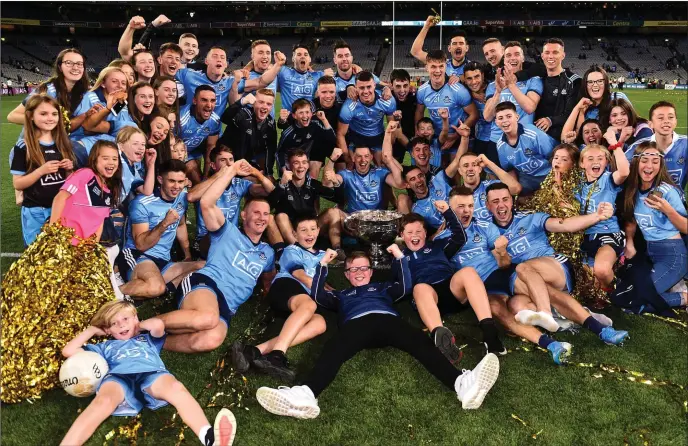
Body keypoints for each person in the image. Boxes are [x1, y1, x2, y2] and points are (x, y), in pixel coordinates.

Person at [256, 250, 501, 419]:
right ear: (348, 275)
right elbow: (319, 295)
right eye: (353, 270)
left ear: (371, 272)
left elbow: (405, 287)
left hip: (388, 321)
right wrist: (321, 266)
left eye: (363, 268)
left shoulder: (383, 287)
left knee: (420, 342)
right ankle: (305, 395)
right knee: (333, 349)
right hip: (356, 325)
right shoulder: (341, 295)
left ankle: (462, 385)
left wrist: (400, 258)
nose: (359, 272)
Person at [60, 301, 236, 446]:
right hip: (118, 377)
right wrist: (92, 330)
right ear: (108, 330)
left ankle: (209, 438)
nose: (121, 325)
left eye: (125, 319)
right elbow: (68, 351)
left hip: (151, 373)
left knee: (175, 387)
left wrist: (138, 326)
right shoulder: (105, 347)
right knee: (103, 401)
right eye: (114, 323)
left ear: (135, 318)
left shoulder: (147, 338)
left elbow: (158, 325)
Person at [485, 182, 630, 344]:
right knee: (517, 306)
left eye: (505, 199)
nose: (501, 205)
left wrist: (597, 216)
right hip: (530, 280)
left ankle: (546, 312)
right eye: (495, 201)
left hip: (554, 267)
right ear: (487, 205)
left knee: (523, 267)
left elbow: (565, 225)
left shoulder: (529, 218)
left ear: (512, 201)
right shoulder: (488, 232)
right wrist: (501, 251)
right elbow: (503, 265)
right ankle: (596, 327)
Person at [448, 187, 573, 364]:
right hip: (482, 287)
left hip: (502, 274)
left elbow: (503, 261)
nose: (466, 210)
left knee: (541, 290)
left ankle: (575, 316)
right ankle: (551, 345)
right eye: (460, 206)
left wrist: (501, 251)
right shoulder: (442, 237)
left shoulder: (484, 227)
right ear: (449, 209)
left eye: (470, 205)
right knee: (499, 310)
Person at [160, 171, 275, 353]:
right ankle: (139, 327)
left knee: (211, 339)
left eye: (266, 214)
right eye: (256, 213)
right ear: (244, 215)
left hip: (227, 307)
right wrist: (233, 169)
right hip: (206, 285)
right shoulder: (227, 231)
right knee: (208, 318)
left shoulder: (267, 253)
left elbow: (269, 281)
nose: (261, 217)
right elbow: (206, 202)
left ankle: (152, 341)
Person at [400, 201, 505, 359]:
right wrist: (398, 256)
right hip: (428, 299)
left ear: (425, 233)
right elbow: (401, 285)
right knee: (420, 288)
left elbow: (460, 237)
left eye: (418, 231)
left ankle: (490, 332)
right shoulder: (400, 257)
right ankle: (442, 340)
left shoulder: (437, 245)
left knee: (468, 272)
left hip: (452, 290)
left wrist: (448, 212)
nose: (414, 235)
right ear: (401, 236)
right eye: (409, 232)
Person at [232, 214, 328, 382]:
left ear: (318, 231)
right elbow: (302, 276)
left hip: (302, 297)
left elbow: (321, 282)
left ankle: (254, 351)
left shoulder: (322, 256)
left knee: (320, 323)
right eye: (303, 230)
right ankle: (277, 355)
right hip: (286, 286)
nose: (309, 234)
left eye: (313, 229)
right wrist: (326, 295)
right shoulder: (292, 251)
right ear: (295, 234)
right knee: (309, 305)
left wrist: (334, 293)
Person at [118, 160, 204, 299]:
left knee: (203, 266)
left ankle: (164, 290)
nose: (176, 186)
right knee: (155, 287)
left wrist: (187, 255)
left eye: (180, 182)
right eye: (171, 181)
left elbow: (181, 225)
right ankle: (110, 293)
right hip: (139, 255)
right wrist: (164, 223)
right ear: (160, 179)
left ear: (186, 181)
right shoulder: (141, 203)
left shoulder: (182, 198)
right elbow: (141, 245)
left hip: (163, 261)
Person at [623, 142, 688, 308]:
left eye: (655, 161)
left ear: (660, 166)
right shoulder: (633, 190)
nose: (649, 165)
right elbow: (631, 220)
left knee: (637, 301)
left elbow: (686, 228)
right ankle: (672, 284)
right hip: (650, 253)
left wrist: (668, 210)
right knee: (623, 292)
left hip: (672, 254)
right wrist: (629, 242)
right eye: (645, 160)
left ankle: (684, 298)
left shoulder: (667, 191)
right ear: (636, 162)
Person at [11, 95, 77, 246]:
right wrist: (41, 171)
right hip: (36, 212)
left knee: (60, 255)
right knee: (38, 255)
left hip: (61, 210)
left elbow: (69, 183)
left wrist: (68, 170)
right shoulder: (24, 146)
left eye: (54, 114)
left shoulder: (63, 143)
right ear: (31, 116)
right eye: (43, 114)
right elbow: (18, 184)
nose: (50, 118)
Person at [191, 146, 275, 259]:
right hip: (207, 237)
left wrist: (255, 173)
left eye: (231, 159)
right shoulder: (206, 184)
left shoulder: (239, 184)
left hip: (232, 236)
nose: (229, 164)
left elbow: (270, 191)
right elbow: (191, 196)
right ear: (213, 165)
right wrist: (220, 175)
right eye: (222, 160)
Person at [574, 144, 630, 291]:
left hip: (607, 233)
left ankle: (618, 293)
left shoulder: (607, 180)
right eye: (590, 158)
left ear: (606, 162)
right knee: (589, 285)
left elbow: (624, 172)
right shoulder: (576, 183)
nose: (595, 162)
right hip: (583, 236)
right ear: (582, 163)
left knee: (602, 271)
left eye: (600, 158)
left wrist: (615, 144)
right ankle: (612, 277)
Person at [268, 149, 340, 252]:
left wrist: (336, 183)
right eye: (296, 163)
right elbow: (268, 206)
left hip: (310, 228)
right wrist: (281, 185)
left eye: (304, 162)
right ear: (288, 165)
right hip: (290, 230)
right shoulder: (282, 183)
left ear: (308, 164)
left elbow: (339, 199)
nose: (301, 166)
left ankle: (338, 249)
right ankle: (299, 251)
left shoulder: (313, 184)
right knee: (280, 216)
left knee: (333, 212)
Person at [7, 48, 90, 136]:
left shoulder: (86, 92)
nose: (75, 67)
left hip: (63, 142)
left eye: (79, 64)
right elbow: (13, 116)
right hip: (37, 144)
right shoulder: (46, 90)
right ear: (60, 67)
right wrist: (46, 120)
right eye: (69, 63)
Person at [416, 50, 477, 156]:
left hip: (457, 137)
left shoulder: (458, 90)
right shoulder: (422, 90)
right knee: (436, 171)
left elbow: (474, 114)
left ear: (445, 67)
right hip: (436, 138)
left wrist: (456, 135)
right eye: (433, 66)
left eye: (441, 66)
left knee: (455, 171)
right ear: (426, 67)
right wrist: (417, 132)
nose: (438, 71)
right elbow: (419, 112)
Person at [484, 42, 543, 146]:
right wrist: (498, 92)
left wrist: (511, 85)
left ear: (523, 58)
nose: (512, 58)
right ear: (504, 59)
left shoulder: (533, 80)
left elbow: (529, 108)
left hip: (524, 140)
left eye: (517, 54)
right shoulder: (494, 84)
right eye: (508, 55)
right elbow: (487, 117)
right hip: (496, 141)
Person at [494, 102, 557, 194]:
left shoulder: (533, 134)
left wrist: (555, 180)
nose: (505, 121)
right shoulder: (500, 145)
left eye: (509, 116)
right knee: (519, 199)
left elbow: (555, 156)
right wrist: (515, 192)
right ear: (496, 122)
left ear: (517, 117)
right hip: (527, 177)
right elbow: (509, 169)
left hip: (548, 173)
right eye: (500, 118)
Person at [337, 71, 396, 166]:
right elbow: (340, 134)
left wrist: (389, 147)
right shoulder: (349, 106)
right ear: (356, 88)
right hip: (357, 138)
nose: (365, 91)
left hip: (377, 137)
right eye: (361, 88)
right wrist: (347, 159)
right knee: (352, 167)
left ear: (374, 85)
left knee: (383, 165)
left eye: (368, 87)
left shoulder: (387, 100)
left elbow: (392, 127)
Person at [626, 101, 687, 189]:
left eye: (670, 117)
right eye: (660, 118)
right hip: (644, 200)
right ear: (651, 124)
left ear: (676, 122)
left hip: (675, 201)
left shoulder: (685, 144)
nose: (666, 121)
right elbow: (618, 171)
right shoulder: (638, 146)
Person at [561, 65, 631, 140]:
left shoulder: (617, 97)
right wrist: (577, 109)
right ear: (585, 85)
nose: (595, 85)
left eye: (600, 81)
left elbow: (635, 121)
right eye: (590, 82)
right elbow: (566, 138)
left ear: (606, 83)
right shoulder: (584, 105)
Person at [533, 38, 582, 141]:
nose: (550, 56)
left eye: (555, 52)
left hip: (561, 138)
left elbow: (572, 113)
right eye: (547, 53)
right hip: (537, 136)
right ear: (542, 56)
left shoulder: (574, 81)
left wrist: (550, 120)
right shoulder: (537, 79)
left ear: (563, 55)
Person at [276, 98, 338, 178]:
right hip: (288, 162)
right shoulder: (289, 133)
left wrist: (324, 119)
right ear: (294, 116)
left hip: (304, 160)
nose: (305, 116)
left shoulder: (315, 125)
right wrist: (284, 171)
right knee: (288, 185)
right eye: (301, 113)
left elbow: (332, 139)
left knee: (305, 185)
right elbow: (279, 153)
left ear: (312, 114)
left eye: (307, 112)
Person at [219, 89, 277, 175]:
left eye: (268, 104)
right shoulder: (244, 115)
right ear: (253, 103)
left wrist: (268, 173)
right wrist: (241, 102)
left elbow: (270, 149)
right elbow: (224, 118)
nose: (265, 106)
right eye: (261, 102)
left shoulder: (270, 123)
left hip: (246, 161)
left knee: (266, 182)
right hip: (227, 161)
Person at [457, 150, 522, 221]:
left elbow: (516, 189)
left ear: (480, 169)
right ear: (460, 171)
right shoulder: (455, 197)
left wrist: (488, 164)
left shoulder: (492, 186)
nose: (470, 169)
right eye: (466, 166)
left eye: (474, 165)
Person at [179, 85, 221, 183]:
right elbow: (170, 147)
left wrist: (206, 178)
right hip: (177, 152)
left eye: (212, 101)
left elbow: (210, 147)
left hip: (195, 150)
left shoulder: (214, 121)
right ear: (194, 101)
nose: (209, 105)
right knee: (192, 170)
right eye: (204, 100)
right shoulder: (181, 120)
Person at [276, 44, 334, 114]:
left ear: (309, 59)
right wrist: (277, 62)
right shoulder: (284, 72)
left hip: (309, 120)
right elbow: (267, 70)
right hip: (289, 120)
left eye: (305, 54)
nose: (303, 56)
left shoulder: (318, 76)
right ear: (293, 58)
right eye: (299, 54)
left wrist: (330, 74)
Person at [235, 40, 278, 116]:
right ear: (252, 56)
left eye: (268, 53)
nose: (265, 56)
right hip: (249, 124)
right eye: (260, 53)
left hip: (269, 125)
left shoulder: (275, 74)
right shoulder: (244, 76)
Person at [390, 69, 417, 164]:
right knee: (394, 168)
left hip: (415, 136)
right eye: (398, 86)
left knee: (419, 167)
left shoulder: (415, 96)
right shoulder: (388, 99)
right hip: (397, 137)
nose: (402, 90)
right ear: (391, 86)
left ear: (410, 85)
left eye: (405, 85)